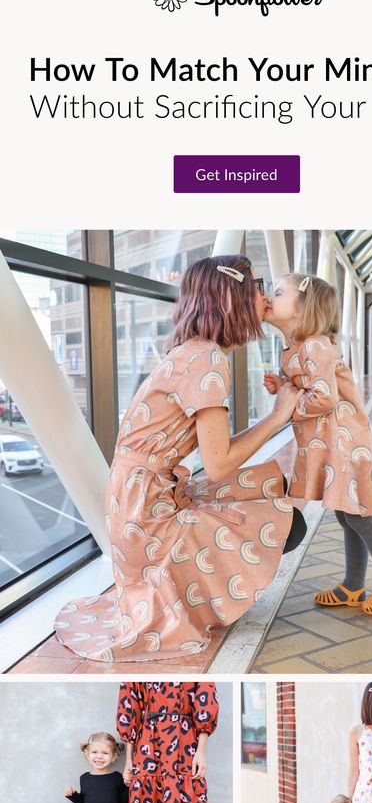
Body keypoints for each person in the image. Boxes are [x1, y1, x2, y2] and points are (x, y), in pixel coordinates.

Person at [55, 255, 306, 662]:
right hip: (148, 513)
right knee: (282, 520)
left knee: (263, 499)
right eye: (258, 286)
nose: (263, 294)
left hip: (137, 503)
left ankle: (203, 594)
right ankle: (202, 597)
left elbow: (216, 454)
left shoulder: (192, 351)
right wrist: (279, 416)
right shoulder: (208, 360)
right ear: (233, 297)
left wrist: (274, 416)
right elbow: (221, 465)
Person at [263, 273, 372, 616]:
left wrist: (289, 405)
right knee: (348, 515)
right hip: (332, 444)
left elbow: (324, 397)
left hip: (346, 444)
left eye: (279, 292)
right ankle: (353, 585)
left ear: (303, 309)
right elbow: (307, 382)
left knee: (359, 515)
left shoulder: (315, 344)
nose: (271, 297)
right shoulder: (297, 347)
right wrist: (283, 384)